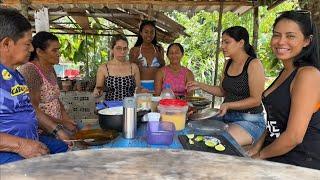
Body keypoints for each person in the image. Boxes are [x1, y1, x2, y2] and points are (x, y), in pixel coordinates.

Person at [248, 10, 320, 170]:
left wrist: (258, 157)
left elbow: (294, 137)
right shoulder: (286, 70)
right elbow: (273, 124)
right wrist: (254, 149)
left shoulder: (308, 74)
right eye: (276, 35)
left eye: (290, 36)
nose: (281, 41)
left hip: (300, 163)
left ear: (307, 41)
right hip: (275, 155)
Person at [0, 8, 67, 165]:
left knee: (66, 150)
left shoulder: (16, 76)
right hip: (8, 153)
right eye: (27, 44)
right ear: (7, 44)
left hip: (30, 141)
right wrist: (21, 146)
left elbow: (31, 109)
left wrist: (57, 131)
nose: (31, 49)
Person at [187, 26, 266, 146]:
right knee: (191, 128)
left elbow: (256, 100)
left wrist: (229, 105)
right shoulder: (228, 63)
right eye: (222, 42)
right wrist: (200, 85)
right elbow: (222, 91)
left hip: (250, 120)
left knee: (219, 142)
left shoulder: (253, 64)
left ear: (241, 43)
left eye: (227, 42)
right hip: (226, 116)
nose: (222, 46)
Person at [19, 31, 78, 140]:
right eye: (54, 50)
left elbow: (56, 98)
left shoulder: (50, 68)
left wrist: (66, 119)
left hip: (57, 126)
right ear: (40, 52)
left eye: (58, 49)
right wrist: (62, 124)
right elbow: (33, 109)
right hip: (41, 131)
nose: (58, 53)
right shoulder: (30, 71)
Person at [93, 34, 142, 100]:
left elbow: (138, 89)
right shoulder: (104, 68)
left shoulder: (133, 67)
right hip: (110, 107)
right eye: (118, 48)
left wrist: (143, 91)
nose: (122, 52)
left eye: (125, 48)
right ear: (112, 50)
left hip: (129, 106)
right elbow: (98, 88)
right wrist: (97, 92)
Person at [129, 20, 165, 92]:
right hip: (140, 85)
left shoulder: (159, 49)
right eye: (146, 32)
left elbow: (163, 68)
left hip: (157, 84)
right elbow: (129, 70)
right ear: (141, 33)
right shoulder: (135, 50)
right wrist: (134, 62)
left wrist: (160, 59)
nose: (149, 35)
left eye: (152, 32)